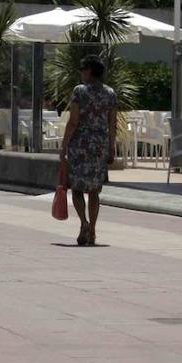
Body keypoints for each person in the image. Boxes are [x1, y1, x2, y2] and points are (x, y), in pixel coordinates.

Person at [59, 56, 117, 246]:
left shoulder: (79, 91)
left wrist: (64, 145)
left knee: (76, 188)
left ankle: (83, 222)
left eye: (83, 69)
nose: (81, 72)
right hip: (99, 146)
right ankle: (92, 230)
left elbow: (73, 121)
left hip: (80, 145)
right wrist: (111, 146)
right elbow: (112, 123)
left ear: (90, 71)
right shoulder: (110, 93)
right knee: (94, 190)